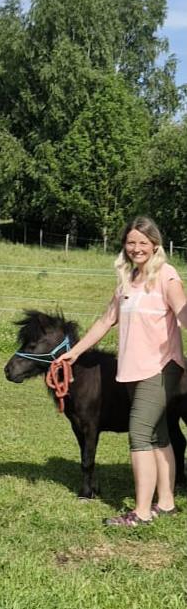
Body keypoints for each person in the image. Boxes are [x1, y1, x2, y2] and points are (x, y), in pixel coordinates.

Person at [57, 217, 185, 526]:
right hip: (131, 370)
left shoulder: (167, 276)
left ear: (155, 244)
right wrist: (73, 353)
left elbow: (183, 312)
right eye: (131, 242)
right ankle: (166, 503)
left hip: (161, 367)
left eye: (143, 242)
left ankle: (141, 513)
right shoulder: (128, 280)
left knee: (139, 433)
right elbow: (106, 321)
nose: (137, 248)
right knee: (158, 433)